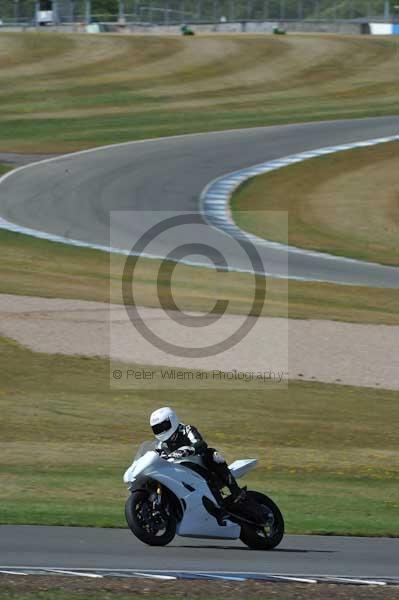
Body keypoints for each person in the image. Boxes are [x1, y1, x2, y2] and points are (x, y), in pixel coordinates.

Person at [150, 406, 244, 502]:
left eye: (163, 427)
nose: (161, 431)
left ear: (172, 420)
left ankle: (236, 491)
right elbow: (158, 459)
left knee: (212, 454)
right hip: (177, 473)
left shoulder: (186, 429)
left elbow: (201, 443)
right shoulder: (160, 445)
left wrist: (189, 450)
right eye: (157, 429)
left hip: (198, 467)